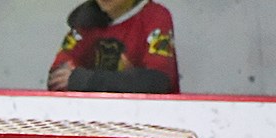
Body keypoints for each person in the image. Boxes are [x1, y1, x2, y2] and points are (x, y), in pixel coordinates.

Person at [48, 0, 179, 93]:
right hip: (91, 121)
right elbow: (57, 79)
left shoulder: (154, 15)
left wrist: (85, 80)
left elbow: (157, 82)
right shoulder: (85, 19)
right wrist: (126, 81)